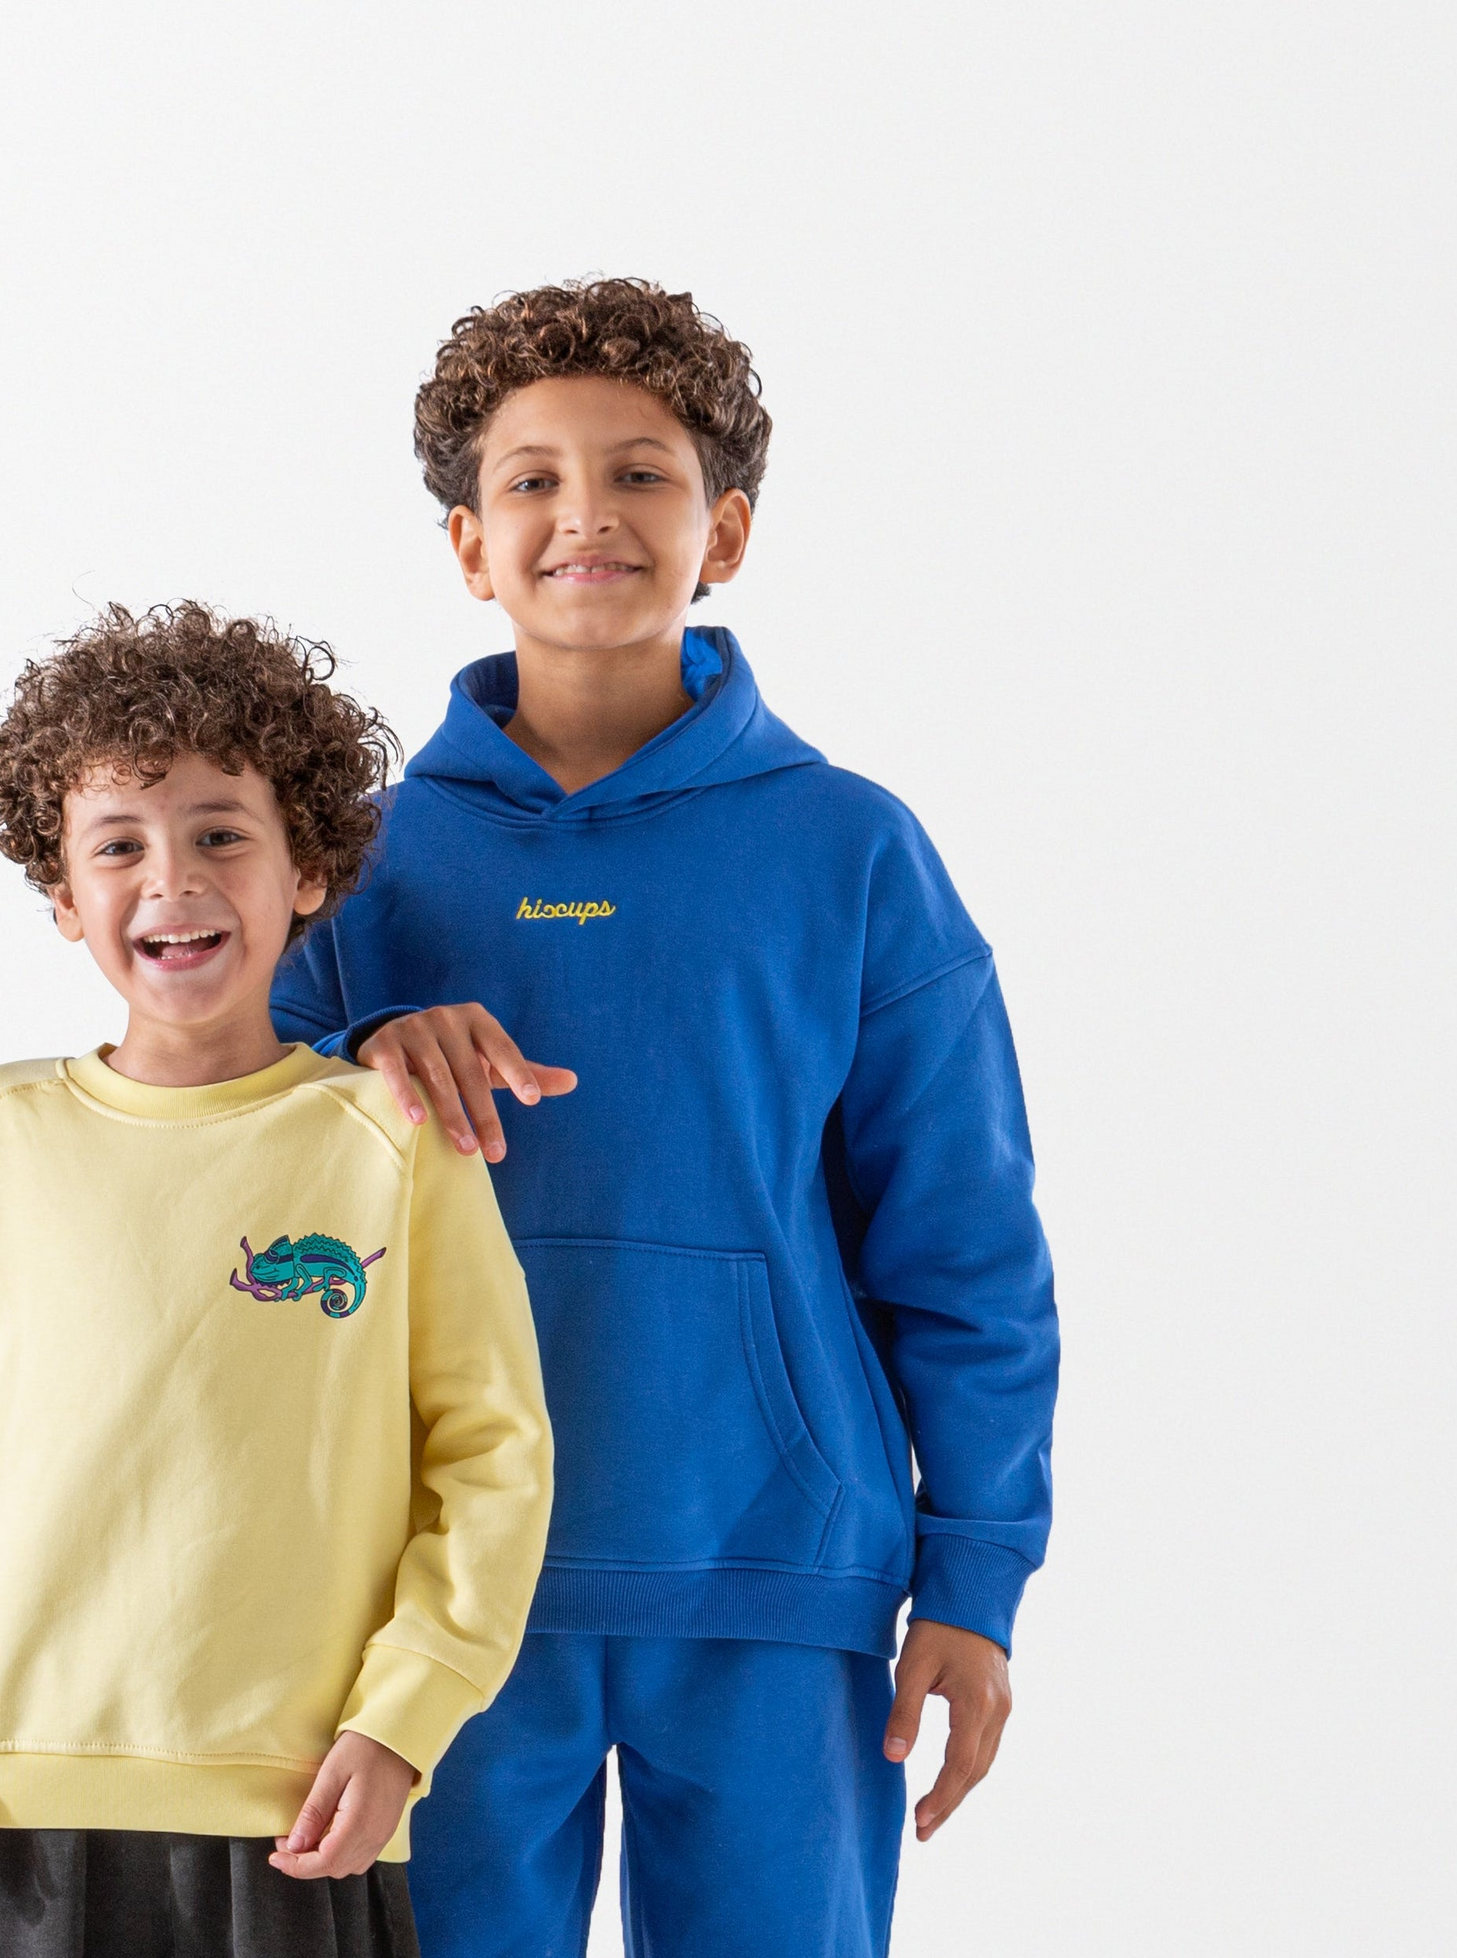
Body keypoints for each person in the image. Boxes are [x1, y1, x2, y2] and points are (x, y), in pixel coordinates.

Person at [270, 278, 1061, 1957]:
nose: (589, 515)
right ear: (470, 546)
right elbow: (217, 1131)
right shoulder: (355, 860)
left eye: (641, 473)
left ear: (729, 531)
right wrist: (359, 1039)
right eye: (533, 480)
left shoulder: (850, 849)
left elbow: (967, 1245)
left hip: (780, 1576)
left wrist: (976, 1577)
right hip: (434, 1593)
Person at [0, 605, 555, 1958]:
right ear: (63, 896)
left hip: (300, 1802)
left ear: (309, 870)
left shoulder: (393, 1139)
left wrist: (403, 1719)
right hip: (16, 1801)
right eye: (118, 845)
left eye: (221, 835)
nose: (171, 880)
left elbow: (492, 1457)